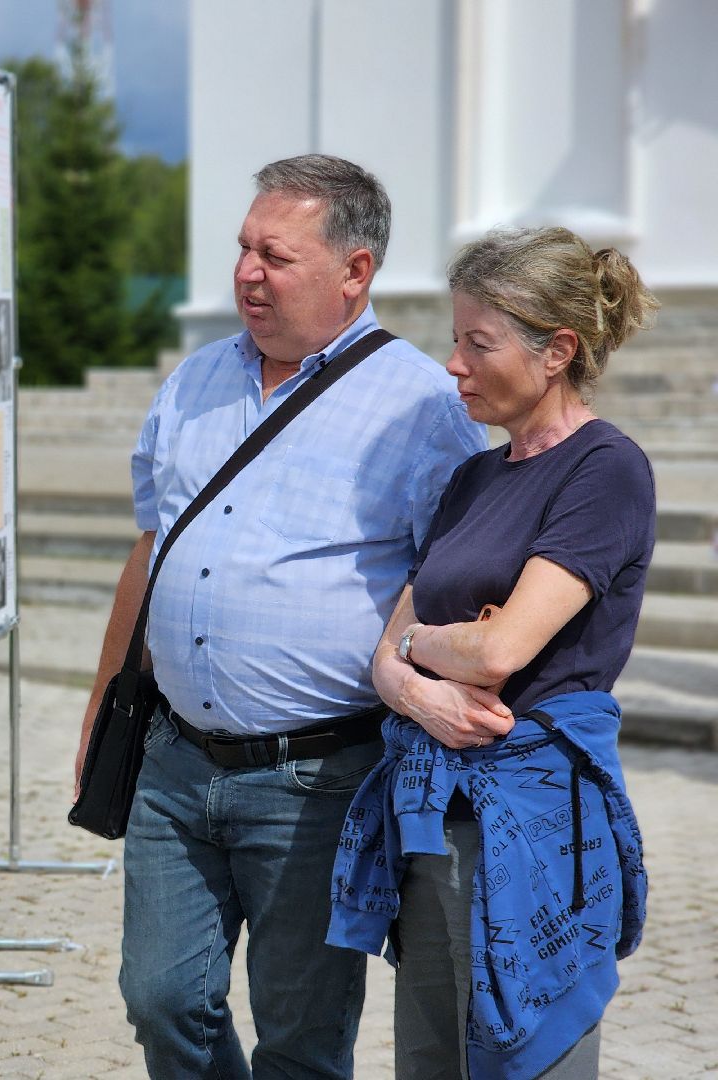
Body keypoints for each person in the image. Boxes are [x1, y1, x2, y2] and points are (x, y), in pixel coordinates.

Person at [75, 154, 487, 1079]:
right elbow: (150, 551)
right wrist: (106, 703)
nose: (248, 273)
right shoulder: (192, 381)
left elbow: (451, 579)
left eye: (277, 255)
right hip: (173, 764)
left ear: (356, 271)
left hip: (320, 781)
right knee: (162, 999)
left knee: (301, 1044)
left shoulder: (422, 404)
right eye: (244, 249)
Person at [329, 227, 659, 1079]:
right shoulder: (474, 479)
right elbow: (387, 655)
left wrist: (423, 650)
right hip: (434, 812)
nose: (453, 365)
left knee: (528, 1053)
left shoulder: (607, 469)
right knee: (432, 1057)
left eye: (479, 343)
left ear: (558, 351)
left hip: (536, 826)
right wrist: (420, 678)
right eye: (455, 340)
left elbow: (502, 649)